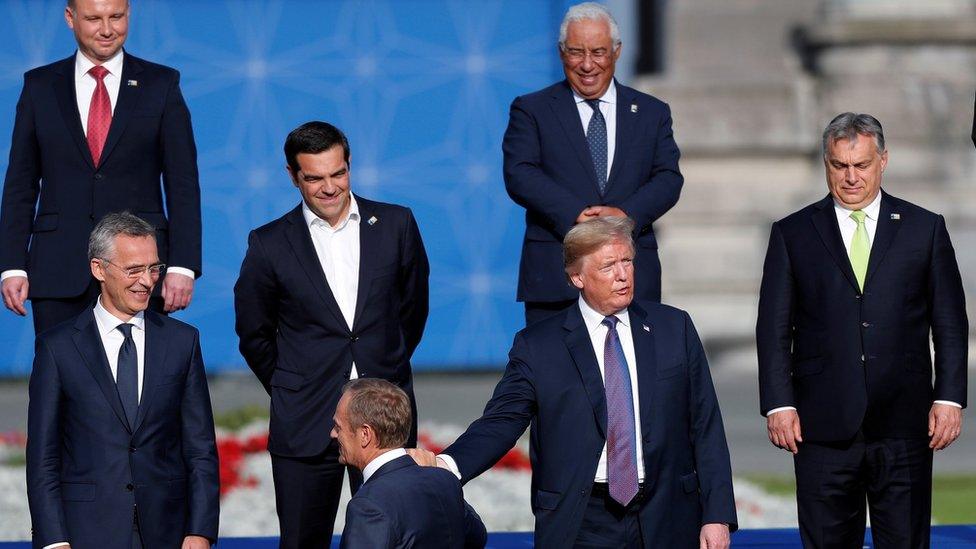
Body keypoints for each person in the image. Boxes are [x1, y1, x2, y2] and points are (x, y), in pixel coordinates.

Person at [412, 216, 736, 548]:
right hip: (582, 519)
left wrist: (717, 515)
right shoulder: (540, 346)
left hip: (666, 514)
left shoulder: (674, 328)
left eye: (627, 261)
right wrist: (445, 465)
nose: (623, 274)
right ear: (577, 277)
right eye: (609, 266)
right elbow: (502, 421)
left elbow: (705, 425)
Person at [757, 112, 968, 548]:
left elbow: (949, 322)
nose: (851, 177)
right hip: (820, 427)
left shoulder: (924, 229)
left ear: (883, 161)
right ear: (826, 164)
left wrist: (948, 398)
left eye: (862, 165)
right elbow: (774, 327)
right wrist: (779, 403)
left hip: (905, 423)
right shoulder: (793, 233)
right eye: (840, 166)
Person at [234, 121, 430, 548]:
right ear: (292, 176)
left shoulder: (396, 224)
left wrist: (385, 374)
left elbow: (412, 312)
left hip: (385, 419)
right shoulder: (268, 244)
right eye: (315, 178)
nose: (329, 187)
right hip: (307, 421)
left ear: (349, 165)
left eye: (338, 173)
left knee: (397, 540)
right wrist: (295, 386)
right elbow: (254, 333)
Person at [0, 0, 201, 334]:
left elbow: (183, 183)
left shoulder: (161, 84)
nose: (107, 29)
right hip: (58, 266)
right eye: (94, 18)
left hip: (139, 268)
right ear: (70, 18)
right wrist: (11, 266)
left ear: (128, 14)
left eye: (116, 17)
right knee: (59, 381)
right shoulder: (39, 86)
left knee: (138, 382)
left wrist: (183, 265)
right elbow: (20, 183)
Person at [26, 212, 218, 549]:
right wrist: (54, 540)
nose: (147, 281)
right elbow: (43, 455)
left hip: (167, 533)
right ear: (99, 269)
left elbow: (200, 448)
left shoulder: (182, 342)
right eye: (134, 270)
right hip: (85, 533)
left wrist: (200, 530)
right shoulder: (57, 348)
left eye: (154, 268)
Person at [504, 2, 683, 325]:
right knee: (557, 373)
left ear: (616, 52)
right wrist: (575, 212)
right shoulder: (532, 109)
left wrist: (625, 215)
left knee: (632, 372)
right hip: (556, 272)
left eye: (598, 52)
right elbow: (519, 172)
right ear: (561, 53)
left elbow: (668, 177)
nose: (587, 64)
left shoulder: (651, 112)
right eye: (576, 52)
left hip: (630, 274)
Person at [332, 378, 486, 549]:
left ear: (365, 434)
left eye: (338, 427)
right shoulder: (445, 480)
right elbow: (477, 537)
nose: (333, 434)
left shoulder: (369, 505)